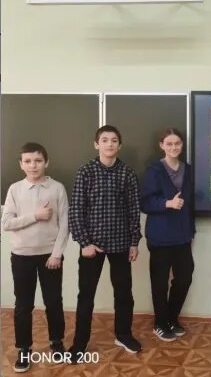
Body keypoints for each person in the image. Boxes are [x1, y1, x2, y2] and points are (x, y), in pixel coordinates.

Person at [68, 125, 142, 360]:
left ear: (119, 145)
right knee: (86, 295)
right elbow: (76, 210)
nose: (109, 144)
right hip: (92, 245)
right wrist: (84, 243)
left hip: (121, 244)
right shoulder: (85, 172)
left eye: (114, 140)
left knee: (124, 293)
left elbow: (134, 210)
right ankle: (80, 344)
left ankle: (123, 335)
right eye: (105, 140)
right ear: (96, 144)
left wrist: (134, 241)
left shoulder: (128, 173)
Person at [1, 143, 69, 373]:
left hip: (50, 256)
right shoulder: (15, 189)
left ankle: (56, 341)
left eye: (38, 160)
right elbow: (6, 223)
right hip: (22, 256)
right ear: (21, 165)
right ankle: (24, 348)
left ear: (46, 162)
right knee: (23, 305)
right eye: (28, 161)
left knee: (53, 301)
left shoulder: (57, 188)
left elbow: (64, 223)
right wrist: (35, 216)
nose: (33, 165)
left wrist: (57, 254)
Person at [140, 128, 195, 342]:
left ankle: (172, 318)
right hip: (160, 237)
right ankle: (160, 323)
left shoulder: (188, 170)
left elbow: (190, 205)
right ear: (162, 145)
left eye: (177, 143)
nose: (174, 147)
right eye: (169, 144)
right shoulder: (154, 170)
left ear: (182, 145)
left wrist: (191, 232)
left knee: (184, 278)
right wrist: (167, 203)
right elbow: (144, 203)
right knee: (160, 283)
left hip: (182, 235)